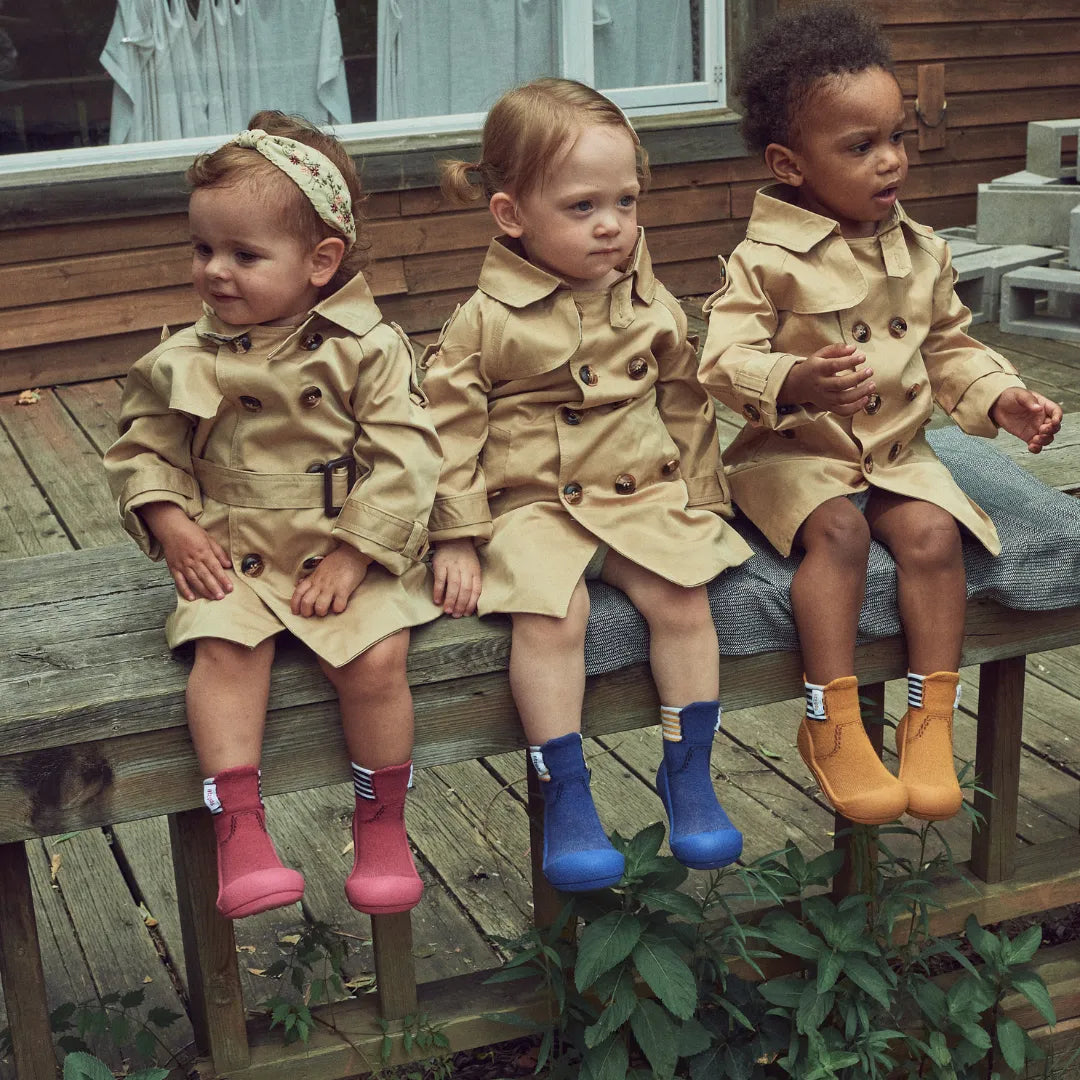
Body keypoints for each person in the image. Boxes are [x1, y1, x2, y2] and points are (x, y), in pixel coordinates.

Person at [699, 2, 1062, 826]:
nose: (890, 161)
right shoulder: (765, 260)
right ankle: (828, 720)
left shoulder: (923, 249)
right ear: (790, 163)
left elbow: (950, 348)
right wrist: (794, 377)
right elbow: (720, 362)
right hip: (796, 456)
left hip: (896, 449)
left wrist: (1001, 395)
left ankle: (931, 717)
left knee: (935, 536)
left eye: (896, 137)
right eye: (860, 147)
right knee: (842, 533)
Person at [104, 111, 443, 919]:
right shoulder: (186, 356)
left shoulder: (366, 349)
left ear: (321, 261)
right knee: (221, 653)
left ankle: (383, 822)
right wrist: (172, 523)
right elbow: (142, 449)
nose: (216, 272)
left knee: (375, 663)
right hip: (233, 549)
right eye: (202, 249)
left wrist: (357, 554)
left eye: (244, 255)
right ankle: (241, 832)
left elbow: (407, 457)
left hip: (340, 549)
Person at [420, 78, 754, 892]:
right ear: (512, 215)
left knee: (683, 598)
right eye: (581, 207)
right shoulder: (486, 321)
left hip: (639, 492)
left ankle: (690, 771)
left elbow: (682, 396)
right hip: (532, 503)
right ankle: (565, 791)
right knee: (552, 614)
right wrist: (456, 534)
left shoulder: (645, 296)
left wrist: (704, 496)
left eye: (625, 201)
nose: (612, 225)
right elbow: (448, 431)